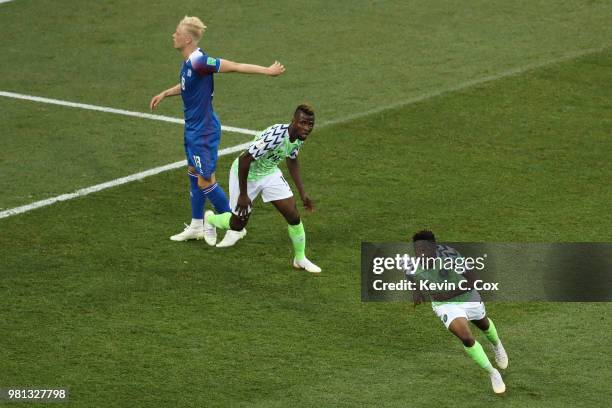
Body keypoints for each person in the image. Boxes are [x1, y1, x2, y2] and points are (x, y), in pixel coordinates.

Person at [149, 16, 285, 243]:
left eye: (177, 32)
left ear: (188, 39)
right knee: (194, 173)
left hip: (204, 132)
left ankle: (236, 225)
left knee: (205, 181)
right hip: (193, 129)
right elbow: (186, 86)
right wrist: (165, 93)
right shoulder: (189, 63)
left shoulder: (201, 61)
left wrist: (267, 71)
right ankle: (196, 226)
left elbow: (236, 67)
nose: (173, 35)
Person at [204, 104, 321, 273]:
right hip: (246, 174)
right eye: (303, 123)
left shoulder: (299, 136)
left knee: (293, 215)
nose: (307, 128)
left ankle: (300, 258)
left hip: (269, 173)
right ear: (293, 121)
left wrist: (302, 193)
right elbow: (245, 160)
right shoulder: (275, 136)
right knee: (237, 224)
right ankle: (211, 219)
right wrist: (243, 195)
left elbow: (292, 158)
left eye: (310, 124)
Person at [405, 230, 509, 394]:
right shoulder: (411, 265)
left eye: (425, 250)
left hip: (467, 296)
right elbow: (411, 278)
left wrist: (449, 292)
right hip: (445, 306)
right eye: (418, 251)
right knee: (466, 337)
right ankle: (493, 373)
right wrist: (416, 293)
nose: (421, 254)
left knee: (483, 323)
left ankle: (497, 345)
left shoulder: (450, 257)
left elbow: (474, 280)